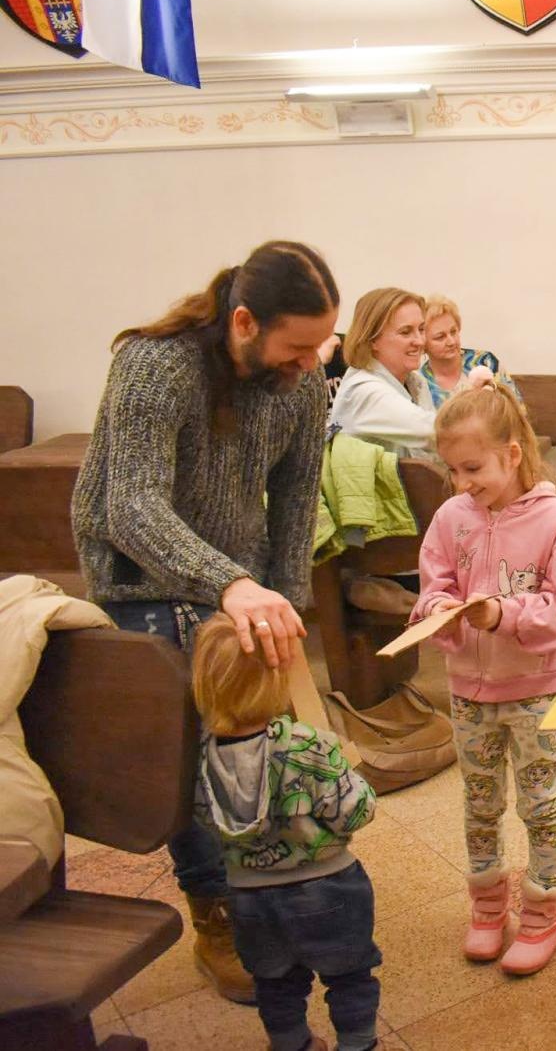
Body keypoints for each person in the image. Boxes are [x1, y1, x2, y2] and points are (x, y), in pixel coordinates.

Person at [71, 239, 338, 1003]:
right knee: (197, 760)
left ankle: (271, 891)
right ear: (245, 322)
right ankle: (215, 910)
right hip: (141, 580)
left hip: (237, 581)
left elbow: (294, 505)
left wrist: (285, 606)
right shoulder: (154, 365)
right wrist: (230, 585)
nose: (309, 362)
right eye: (297, 346)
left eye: (320, 344)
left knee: (260, 745)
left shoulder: (300, 381)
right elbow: (131, 510)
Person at [413, 377, 556, 975]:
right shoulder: (450, 517)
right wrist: (437, 610)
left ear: (513, 454)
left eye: (473, 467)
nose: (462, 484)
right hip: (468, 691)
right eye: (453, 471)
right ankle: (488, 910)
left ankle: (545, 911)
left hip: (537, 690)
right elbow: (433, 585)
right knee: (479, 804)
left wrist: (501, 614)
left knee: (540, 804)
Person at [189, 616, 381, 1051]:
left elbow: (202, 819)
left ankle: (293, 1043)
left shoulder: (199, 760)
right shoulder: (307, 744)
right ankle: (358, 1044)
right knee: (350, 976)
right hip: (329, 889)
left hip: (247, 894)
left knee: (274, 983)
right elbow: (356, 813)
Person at [327, 288, 437, 458]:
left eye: (421, 329)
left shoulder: (415, 382)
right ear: (372, 340)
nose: (420, 341)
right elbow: (436, 434)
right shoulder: (364, 391)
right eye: (406, 332)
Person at [418, 295, 522, 408]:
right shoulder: (419, 383)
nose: (451, 341)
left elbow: (517, 410)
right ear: (423, 343)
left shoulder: (485, 362)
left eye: (453, 332)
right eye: (440, 337)